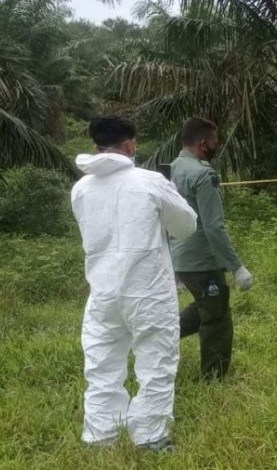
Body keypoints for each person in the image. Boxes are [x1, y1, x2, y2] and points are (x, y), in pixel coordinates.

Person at [70, 116, 197, 452]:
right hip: (148, 291)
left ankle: (100, 437)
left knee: (101, 364)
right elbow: (185, 225)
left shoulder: (81, 188)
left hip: (103, 293)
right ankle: (150, 436)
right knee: (156, 361)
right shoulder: (150, 182)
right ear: (131, 145)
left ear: (95, 144)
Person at [169, 117, 255, 381]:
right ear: (204, 143)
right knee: (217, 318)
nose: (217, 146)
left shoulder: (171, 168)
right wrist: (236, 266)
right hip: (201, 259)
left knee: (208, 304)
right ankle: (213, 378)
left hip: (178, 256)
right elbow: (213, 227)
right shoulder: (204, 175)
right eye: (215, 142)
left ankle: (162, 333)